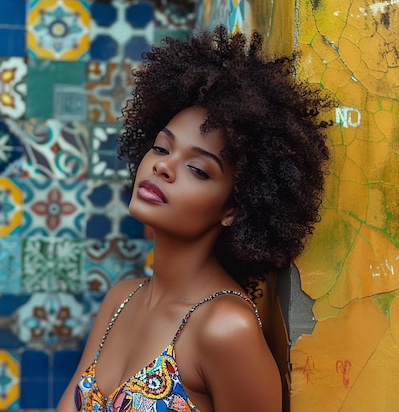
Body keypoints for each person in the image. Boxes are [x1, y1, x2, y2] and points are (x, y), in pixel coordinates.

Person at [56, 25, 331, 412]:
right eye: (161, 147)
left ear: (234, 209)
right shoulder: (122, 299)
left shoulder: (224, 328)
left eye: (198, 169)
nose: (164, 167)